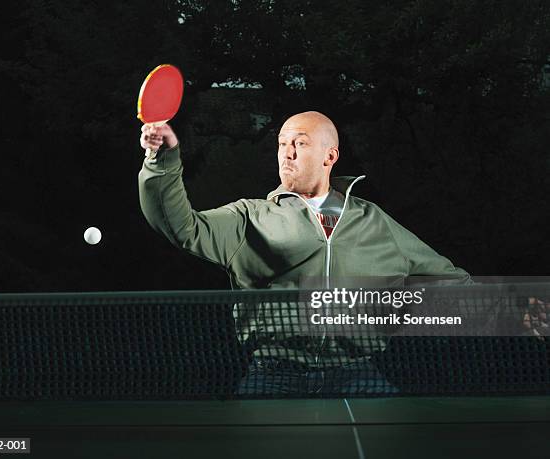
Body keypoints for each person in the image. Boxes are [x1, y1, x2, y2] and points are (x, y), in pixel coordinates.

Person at [138, 111, 474, 395]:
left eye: (299, 143)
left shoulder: (372, 220)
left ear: (330, 156)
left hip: (358, 375)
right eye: (282, 144)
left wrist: (519, 310)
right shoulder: (250, 217)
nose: (287, 153)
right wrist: (163, 159)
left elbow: (451, 281)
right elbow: (181, 227)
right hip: (271, 376)